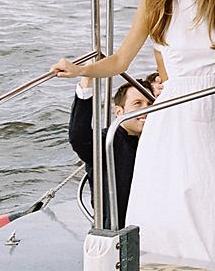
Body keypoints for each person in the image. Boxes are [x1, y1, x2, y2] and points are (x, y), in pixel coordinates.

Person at [53, 0, 215, 266]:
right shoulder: (156, 5)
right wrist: (80, 71)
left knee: (207, 193)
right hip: (173, 109)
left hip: (212, 107)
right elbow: (120, 60)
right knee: (169, 197)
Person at [67, 74, 156, 222]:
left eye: (149, 104)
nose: (145, 109)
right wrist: (87, 78)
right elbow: (78, 137)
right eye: (137, 104)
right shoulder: (107, 141)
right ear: (119, 112)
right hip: (120, 229)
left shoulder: (160, 139)